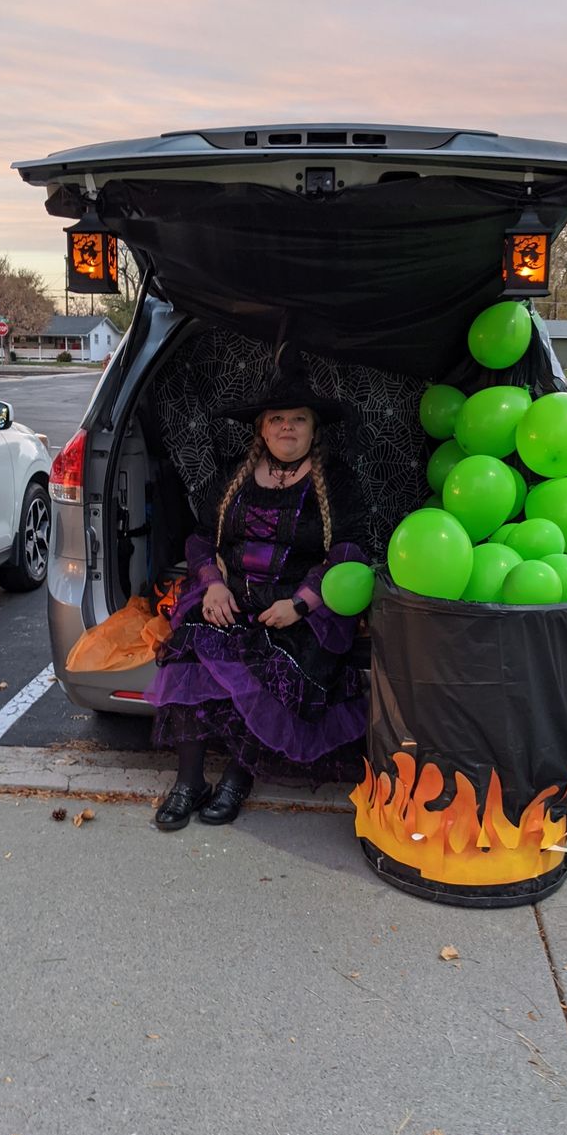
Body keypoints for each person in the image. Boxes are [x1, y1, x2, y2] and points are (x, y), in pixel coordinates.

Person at [151, 354, 370, 831]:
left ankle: (236, 777)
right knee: (189, 652)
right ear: (262, 428)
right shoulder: (233, 476)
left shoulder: (338, 482)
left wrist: (301, 604)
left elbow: (350, 550)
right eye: (277, 418)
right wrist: (210, 586)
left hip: (297, 608)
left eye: (298, 419)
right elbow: (200, 536)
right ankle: (188, 781)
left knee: (272, 671)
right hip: (231, 594)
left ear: (314, 428)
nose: (287, 427)